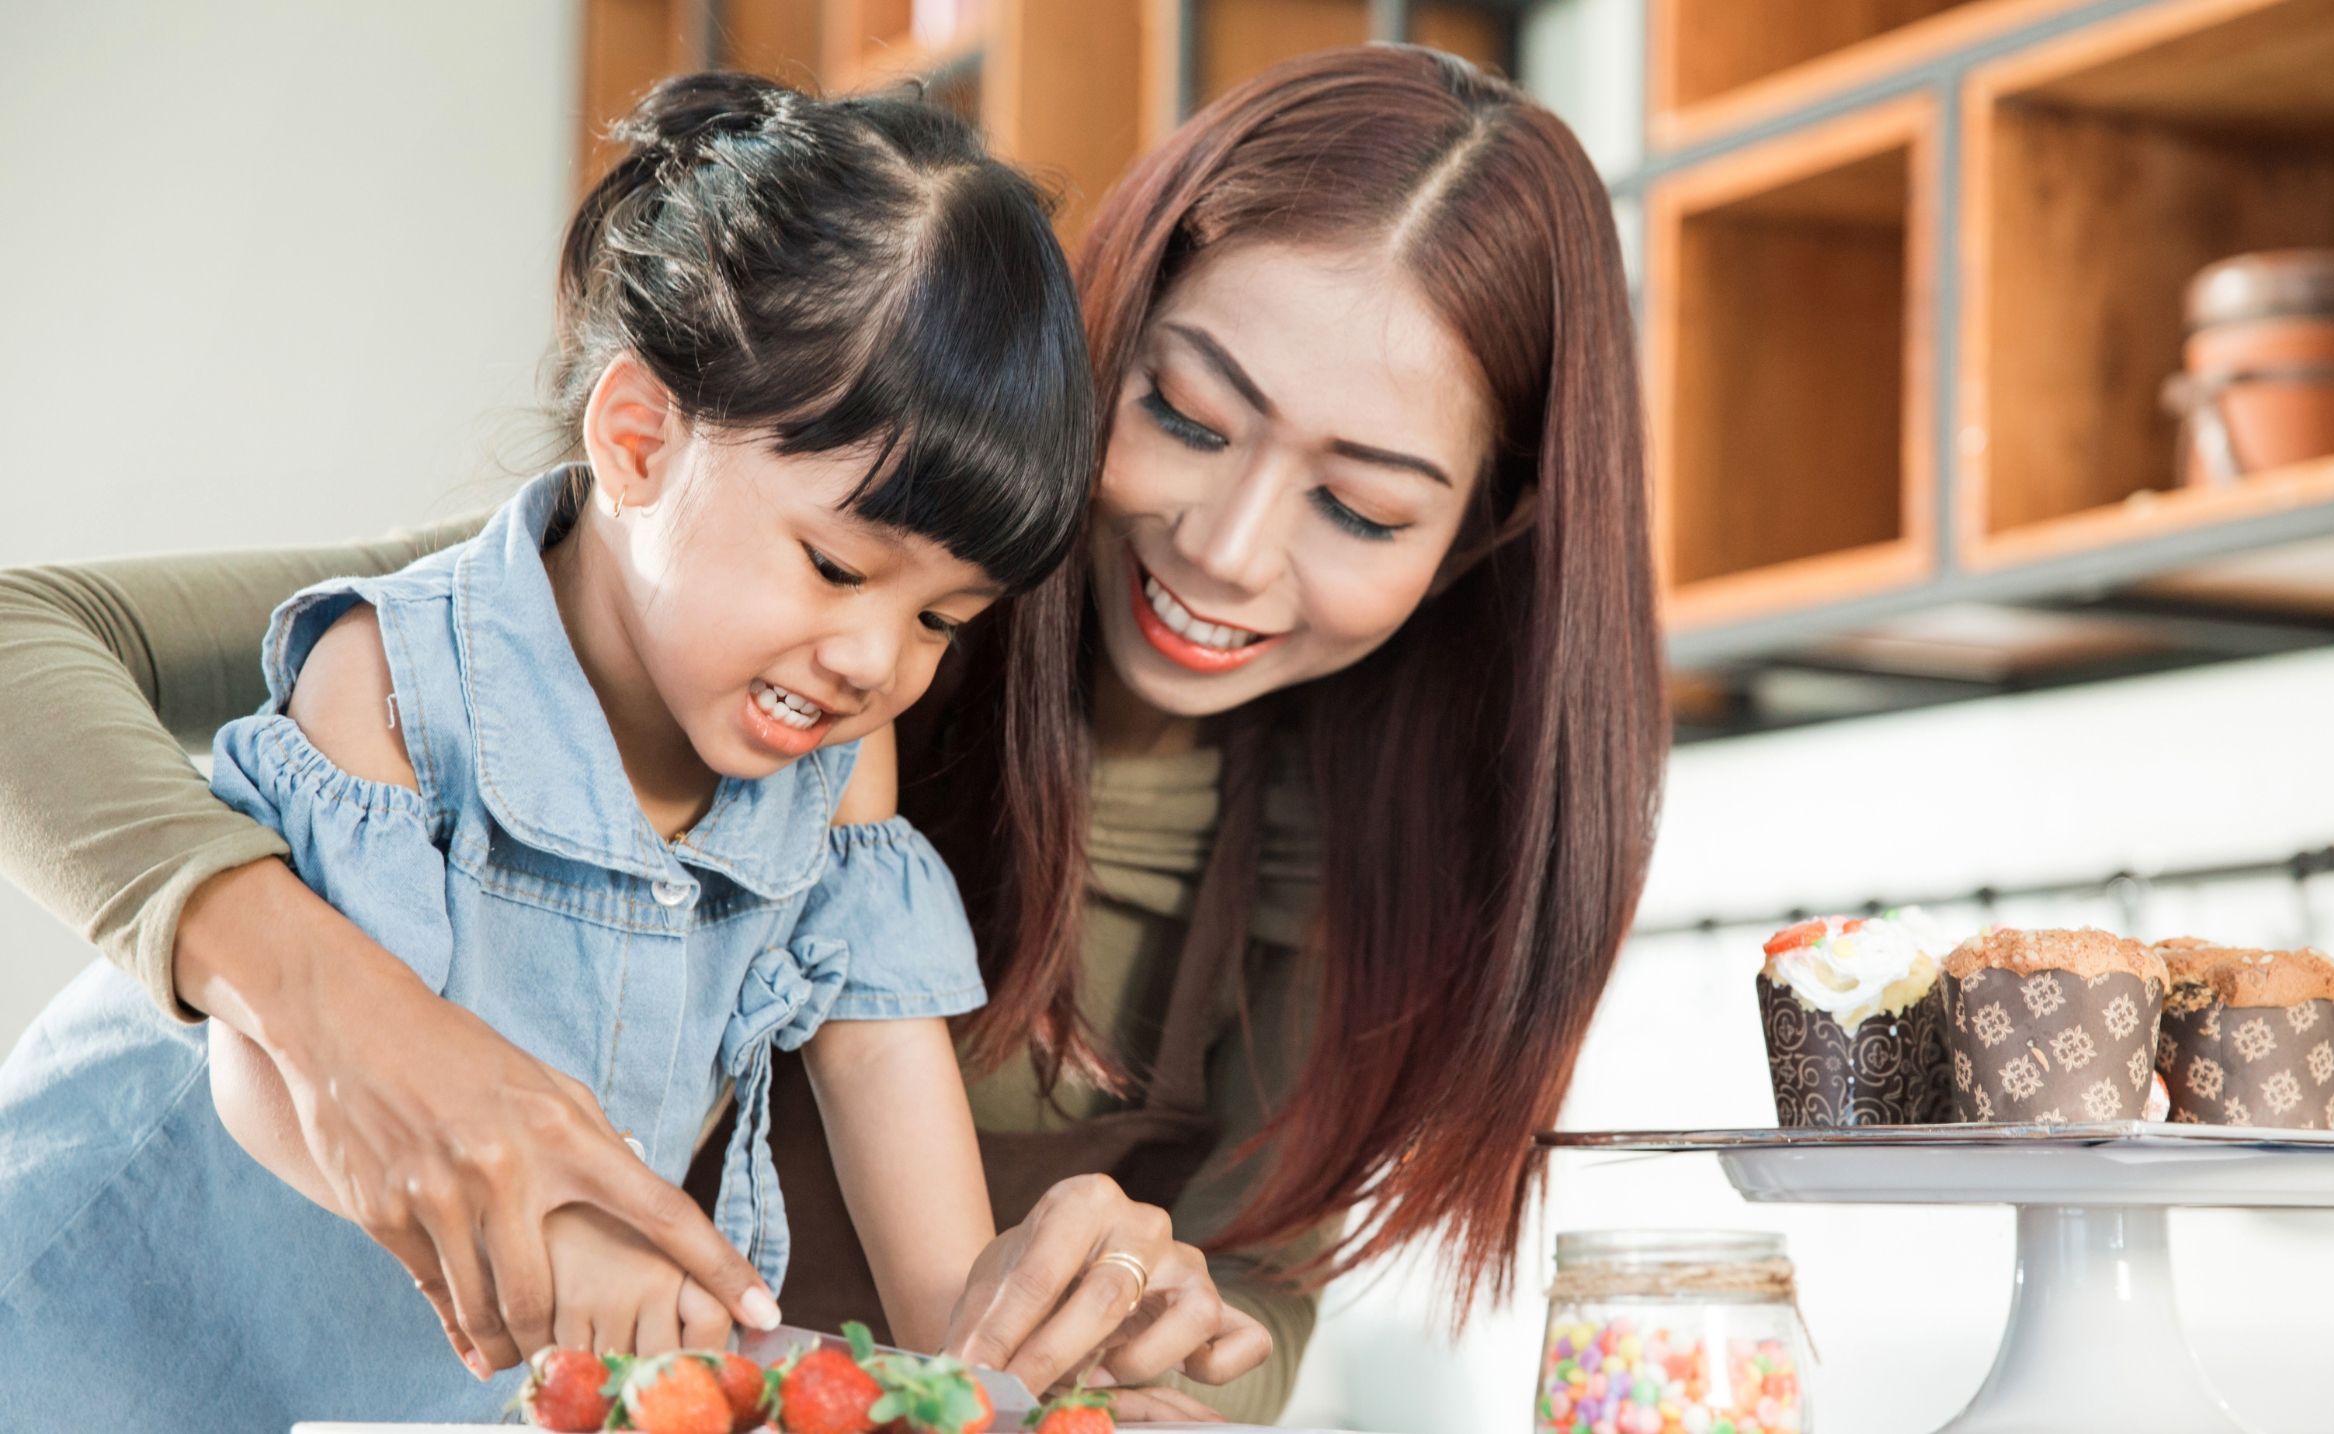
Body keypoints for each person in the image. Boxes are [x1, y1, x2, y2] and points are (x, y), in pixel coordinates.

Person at [0, 44, 1660, 1424]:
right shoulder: (646, 596)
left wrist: (1089, 1373)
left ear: (1486, 535)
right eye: (1181, 415)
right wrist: (350, 1014)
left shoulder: (895, 716)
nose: (1227, 548)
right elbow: (29, 641)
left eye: (1361, 507)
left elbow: (1227, 1268)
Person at [0, 71, 1095, 1430]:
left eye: (939, 616)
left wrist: (985, 1378)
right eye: (831, 565)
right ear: (635, 440)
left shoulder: (833, 765)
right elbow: (277, 1074)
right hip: (86, 1335)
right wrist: (553, 1248)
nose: (876, 661)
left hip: (395, 1387)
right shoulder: (398, 674)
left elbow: (884, 1067)